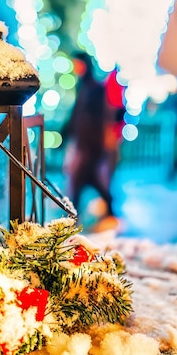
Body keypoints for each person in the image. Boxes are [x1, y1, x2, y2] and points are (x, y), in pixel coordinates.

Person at [62, 52, 117, 227]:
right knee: (88, 180)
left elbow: (100, 118)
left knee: (81, 180)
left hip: (92, 144)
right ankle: (105, 211)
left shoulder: (95, 89)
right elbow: (76, 115)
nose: (76, 69)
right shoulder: (83, 87)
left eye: (78, 64)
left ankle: (73, 217)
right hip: (84, 143)